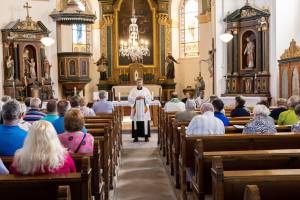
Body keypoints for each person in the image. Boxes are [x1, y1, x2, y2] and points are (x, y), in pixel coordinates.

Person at [10, 120, 76, 175]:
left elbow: (12, 177)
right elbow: (74, 176)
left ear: (30, 137)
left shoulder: (19, 160)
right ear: (53, 137)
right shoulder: (64, 158)